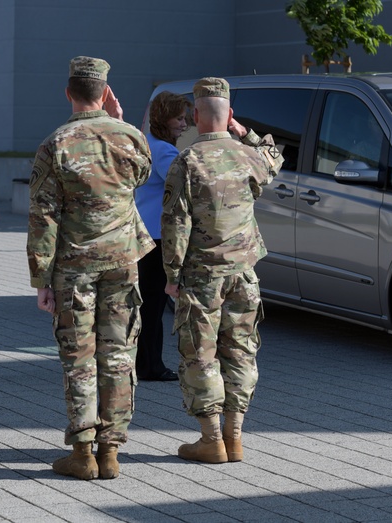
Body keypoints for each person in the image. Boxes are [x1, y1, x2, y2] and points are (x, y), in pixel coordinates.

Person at [27, 56, 155, 480]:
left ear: (68, 93)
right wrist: (118, 122)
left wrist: (41, 278)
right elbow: (141, 176)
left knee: (79, 357)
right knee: (119, 354)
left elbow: (43, 216)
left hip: (74, 267)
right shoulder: (131, 138)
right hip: (122, 262)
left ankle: (83, 453)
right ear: (105, 93)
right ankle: (111, 451)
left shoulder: (56, 143)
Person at [160, 77, 283, 465]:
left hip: (201, 276)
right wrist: (244, 133)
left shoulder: (187, 161)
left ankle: (211, 439)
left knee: (201, 355)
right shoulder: (249, 157)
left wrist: (171, 275)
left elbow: (175, 224)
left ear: (195, 116)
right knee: (241, 351)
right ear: (229, 115)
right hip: (244, 276)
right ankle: (236, 436)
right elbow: (275, 157)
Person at [133, 91, 188, 382]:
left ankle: (146, 363)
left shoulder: (146, 142)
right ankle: (150, 366)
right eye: (179, 118)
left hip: (144, 233)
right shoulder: (165, 152)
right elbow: (186, 186)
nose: (185, 124)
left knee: (148, 304)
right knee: (153, 307)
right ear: (164, 118)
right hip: (157, 236)